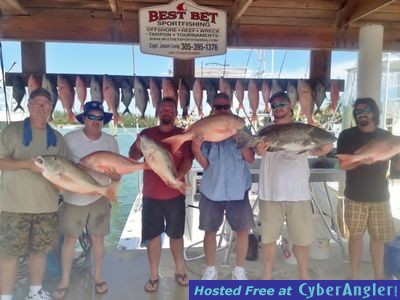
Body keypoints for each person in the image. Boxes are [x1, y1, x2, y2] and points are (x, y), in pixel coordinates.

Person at [255, 91, 332, 280]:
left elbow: (326, 147)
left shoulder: (305, 130)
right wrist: (258, 150)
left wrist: (315, 128)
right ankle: (267, 275)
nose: (278, 108)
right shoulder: (264, 131)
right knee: (268, 238)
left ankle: (304, 276)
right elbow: (256, 152)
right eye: (274, 106)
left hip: (298, 194)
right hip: (270, 194)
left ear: (290, 106)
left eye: (282, 104)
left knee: (302, 239)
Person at [0, 88, 68, 300]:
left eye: (46, 104)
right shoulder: (11, 131)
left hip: (46, 208)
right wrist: (26, 165)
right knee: (9, 254)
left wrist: (68, 186)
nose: (41, 107)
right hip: (13, 207)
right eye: (37, 103)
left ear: (50, 108)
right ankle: (6, 296)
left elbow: (64, 173)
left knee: (40, 252)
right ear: (28, 106)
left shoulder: (57, 138)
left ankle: (35, 291)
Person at [52, 101, 120, 299]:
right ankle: (64, 281)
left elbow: (117, 174)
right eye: (92, 116)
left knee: (98, 239)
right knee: (70, 241)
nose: (96, 121)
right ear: (84, 118)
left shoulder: (110, 141)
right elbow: (60, 168)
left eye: (100, 118)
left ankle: (98, 277)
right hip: (74, 199)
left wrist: (116, 178)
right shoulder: (70, 139)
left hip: (100, 197)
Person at [129, 97, 193, 292]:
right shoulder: (146, 134)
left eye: (171, 109)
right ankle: (154, 274)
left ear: (175, 113)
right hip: (151, 196)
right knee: (153, 236)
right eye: (163, 108)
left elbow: (188, 161)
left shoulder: (183, 134)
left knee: (176, 235)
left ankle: (180, 270)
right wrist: (138, 147)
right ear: (158, 112)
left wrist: (177, 180)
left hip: (175, 196)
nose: (167, 112)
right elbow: (132, 157)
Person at [192, 93, 256, 280]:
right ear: (212, 108)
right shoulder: (204, 128)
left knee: (242, 231)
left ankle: (239, 270)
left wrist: (239, 138)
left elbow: (251, 158)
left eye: (225, 107)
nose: (221, 110)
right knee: (210, 231)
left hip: (238, 190)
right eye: (218, 107)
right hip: (212, 190)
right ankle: (211, 268)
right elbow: (204, 164)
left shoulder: (242, 128)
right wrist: (196, 148)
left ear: (230, 108)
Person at [337, 97, 396, 279]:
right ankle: (354, 276)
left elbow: (396, 167)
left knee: (378, 240)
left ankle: (379, 277)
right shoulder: (346, 135)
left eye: (366, 110)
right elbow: (343, 165)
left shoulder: (386, 136)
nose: (362, 113)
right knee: (355, 237)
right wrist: (361, 160)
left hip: (380, 196)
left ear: (374, 112)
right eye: (358, 111)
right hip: (355, 195)